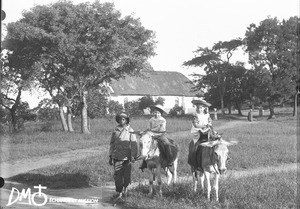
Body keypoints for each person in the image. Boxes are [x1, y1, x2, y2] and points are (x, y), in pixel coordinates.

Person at [109, 112, 138, 201]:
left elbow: (134, 144)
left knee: (126, 175)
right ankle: (119, 192)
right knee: (118, 175)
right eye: (120, 119)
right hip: (116, 156)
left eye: (123, 119)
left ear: (126, 120)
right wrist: (110, 156)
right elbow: (112, 144)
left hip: (126, 157)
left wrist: (133, 156)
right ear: (118, 120)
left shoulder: (130, 130)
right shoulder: (115, 130)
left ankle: (125, 190)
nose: (122, 120)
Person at [139, 105, 175, 171]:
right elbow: (149, 128)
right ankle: (144, 162)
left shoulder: (163, 120)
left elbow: (162, 129)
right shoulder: (151, 120)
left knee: (167, 144)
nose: (157, 114)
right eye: (155, 112)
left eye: (158, 113)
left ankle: (169, 159)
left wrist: (155, 134)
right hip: (151, 134)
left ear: (161, 113)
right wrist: (144, 132)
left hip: (160, 134)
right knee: (145, 144)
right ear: (153, 113)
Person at [188, 99, 213, 171]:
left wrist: (209, 125)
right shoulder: (195, 115)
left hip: (207, 131)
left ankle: (217, 159)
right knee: (195, 146)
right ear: (196, 108)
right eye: (198, 108)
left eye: (201, 108)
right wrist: (203, 126)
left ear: (204, 108)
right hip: (198, 132)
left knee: (216, 141)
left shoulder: (207, 115)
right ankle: (193, 161)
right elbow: (195, 125)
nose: (200, 109)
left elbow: (210, 122)